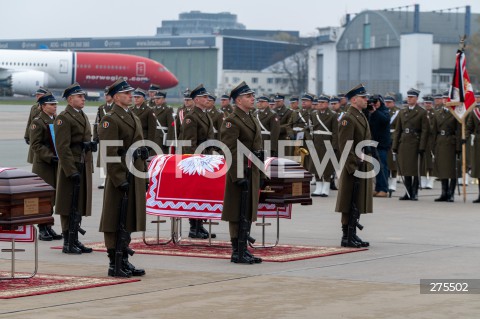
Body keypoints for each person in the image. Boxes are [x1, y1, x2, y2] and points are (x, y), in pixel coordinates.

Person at [98, 79, 148, 277]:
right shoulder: (111, 119)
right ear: (117, 96)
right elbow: (109, 153)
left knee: (127, 218)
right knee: (114, 218)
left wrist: (143, 173)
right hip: (120, 177)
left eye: (131, 93)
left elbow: (138, 144)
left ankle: (124, 259)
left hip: (134, 173)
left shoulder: (132, 116)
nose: (131, 96)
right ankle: (114, 261)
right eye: (126, 93)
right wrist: (119, 179)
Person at [220, 81, 263, 264]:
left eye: (252, 95)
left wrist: (261, 172)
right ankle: (237, 250)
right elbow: (230, 150)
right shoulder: (232, 120)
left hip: (251, 171)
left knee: (248, 210)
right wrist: (238, 176)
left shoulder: (251, 117)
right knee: (238, 211)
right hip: (239, 173)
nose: (252, 98)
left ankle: (243, 248)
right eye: (248, 96)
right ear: (238, 100)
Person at [54, 83, 95, 254]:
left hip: (83, 164)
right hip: (71, 167)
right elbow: (63, 148)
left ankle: (75, 239)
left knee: (78, 204)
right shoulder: (64, 118)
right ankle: (68, 241)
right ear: (70, 100)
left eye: (83, 96)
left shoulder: (82, 115)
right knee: (68, 204)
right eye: (79, 96)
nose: (83, 98)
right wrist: (71, 171)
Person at [335, 84, 372, 248]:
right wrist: (353, 167)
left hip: (361, 165)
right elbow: (345, 145)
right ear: (354, 99)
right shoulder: (348, 118)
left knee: (357, 201)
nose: (367, 100)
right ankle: (346, 235)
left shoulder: (361, 116)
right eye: (364, 97)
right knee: (348, 201)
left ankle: (353, 233)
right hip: (353, 167)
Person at [179, 84, 216, 239]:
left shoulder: (205, 114)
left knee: (203, 193)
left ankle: (200, 225)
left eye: (207, 97)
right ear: (197, 99)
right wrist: (194, 162)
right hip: (196, 159)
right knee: (195, 193)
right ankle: (194, 227)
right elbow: (189, 143)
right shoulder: (191, 116)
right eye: (204, 97)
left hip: (205, 156)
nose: (207, 99)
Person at [29, 93, 62, 241]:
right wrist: (50, 156)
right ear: (43, 106)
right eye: (51, 104)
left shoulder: (55, 120)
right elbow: (35, 144)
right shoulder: (38, 122)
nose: (55, 106)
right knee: (43, 197)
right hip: (44, 165)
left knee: (52, 197)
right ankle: (42, 228)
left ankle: (48, 225)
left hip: (54, 164)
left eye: (55, 104)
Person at [392, 88, 429, 201]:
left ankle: (415, 192)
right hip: (404, 143)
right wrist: (395, 146)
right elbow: (398, 130)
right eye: (408, 97)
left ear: (416, 98)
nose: (409, 99)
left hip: (415, 143)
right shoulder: (402, 112)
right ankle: (408, 192)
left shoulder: (422, 112)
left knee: (415, 169)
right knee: (406, 169)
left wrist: (422, 146)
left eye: (412, 97)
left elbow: (425, 131)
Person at [431, 104, 461, 202]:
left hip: (451, 143)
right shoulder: (438, 113)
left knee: (452, 170)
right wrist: (433, 146)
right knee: (442, 169)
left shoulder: (456, 113)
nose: (445, 100)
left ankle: (451, 194)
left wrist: (458, 147)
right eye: (444, 98)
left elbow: (459, 131)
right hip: (440, 142)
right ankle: (444, 193)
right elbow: (434, 131)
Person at [310, 94, 338, 197]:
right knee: (316, 165)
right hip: (316, 142)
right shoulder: (313, 114)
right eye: (319, 102)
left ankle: (326, 187)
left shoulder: (333, 115)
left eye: (322, 102)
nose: (320, 104)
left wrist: (334, 146)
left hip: (327, 142)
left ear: (327, 103)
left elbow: (335, 132)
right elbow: (310, 129)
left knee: (327, 166)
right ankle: (318, 187)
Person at [367, 94, 391, 198]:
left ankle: (384, 189)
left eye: (376, 102)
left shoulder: (384, 111)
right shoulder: (370, 111)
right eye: (372, 102)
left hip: (382, 144)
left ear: (380, 102)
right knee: (375, 167)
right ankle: (377, 188)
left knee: (382, 166)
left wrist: (375, 112)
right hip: (372, 143)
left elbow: (385, 120)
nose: (374, 104)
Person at [94, 86, 113, 189]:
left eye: (108, 94)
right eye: (105, 94)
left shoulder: (115, 107)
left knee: (112, 159)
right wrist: (96, 136)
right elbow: (97, 123)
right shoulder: (101, 108)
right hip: (103, 137)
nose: (106, 96)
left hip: (113, 137)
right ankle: (103, 179)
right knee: (102, 159)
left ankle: (110, 179)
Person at [25, 87, 49, 164]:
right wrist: (27, 135)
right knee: (34, 159)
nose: (37, 96)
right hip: (34, 136)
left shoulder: (48, 107)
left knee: (41, 158)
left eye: (39, 95)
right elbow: (30, 122)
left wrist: (40, 109)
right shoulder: (34, 107)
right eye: (37, 95)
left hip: (43, 137)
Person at [465, 91, 480, 203]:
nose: (477, 99)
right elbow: (469, 127)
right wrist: (464, 138)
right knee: (478, 170)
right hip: (478, 144)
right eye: (477, 98)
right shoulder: (474, 112)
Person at [384, 94, 400, 196]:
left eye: (389, 102)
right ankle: (387, 183)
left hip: (393, 138)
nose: (387, 104)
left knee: (393, 163)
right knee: (386, 163)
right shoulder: (383, 111)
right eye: (386, 102)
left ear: (393, 102)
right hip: (385, 138)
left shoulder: (398, 112)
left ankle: (393, 183)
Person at [420, 95, 436, 189]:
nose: (428, 105)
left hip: (432, 140)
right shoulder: (421, 113)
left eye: (429, 103)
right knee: (422, 161)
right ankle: (423, 180)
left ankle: (431, 180)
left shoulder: (436, 113)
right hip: (422, 140)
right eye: (426, 103)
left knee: (431, 162)